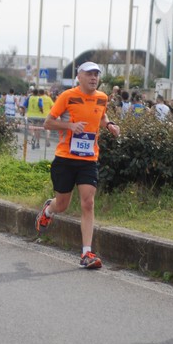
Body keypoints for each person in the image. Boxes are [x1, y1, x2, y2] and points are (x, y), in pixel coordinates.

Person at [35, 61, 120, 269]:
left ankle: (86, 253)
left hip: (89, 159)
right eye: (90, 74)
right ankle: (49, 209)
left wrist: (109, 124)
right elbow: (48, 122)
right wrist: (70, 126)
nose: (94, 78)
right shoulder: (67, 96)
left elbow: (101, 115)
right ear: (79, 76)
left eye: (97, 75)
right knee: (62, 205)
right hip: (65, 158)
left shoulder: (102, 98)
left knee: (88, 202)